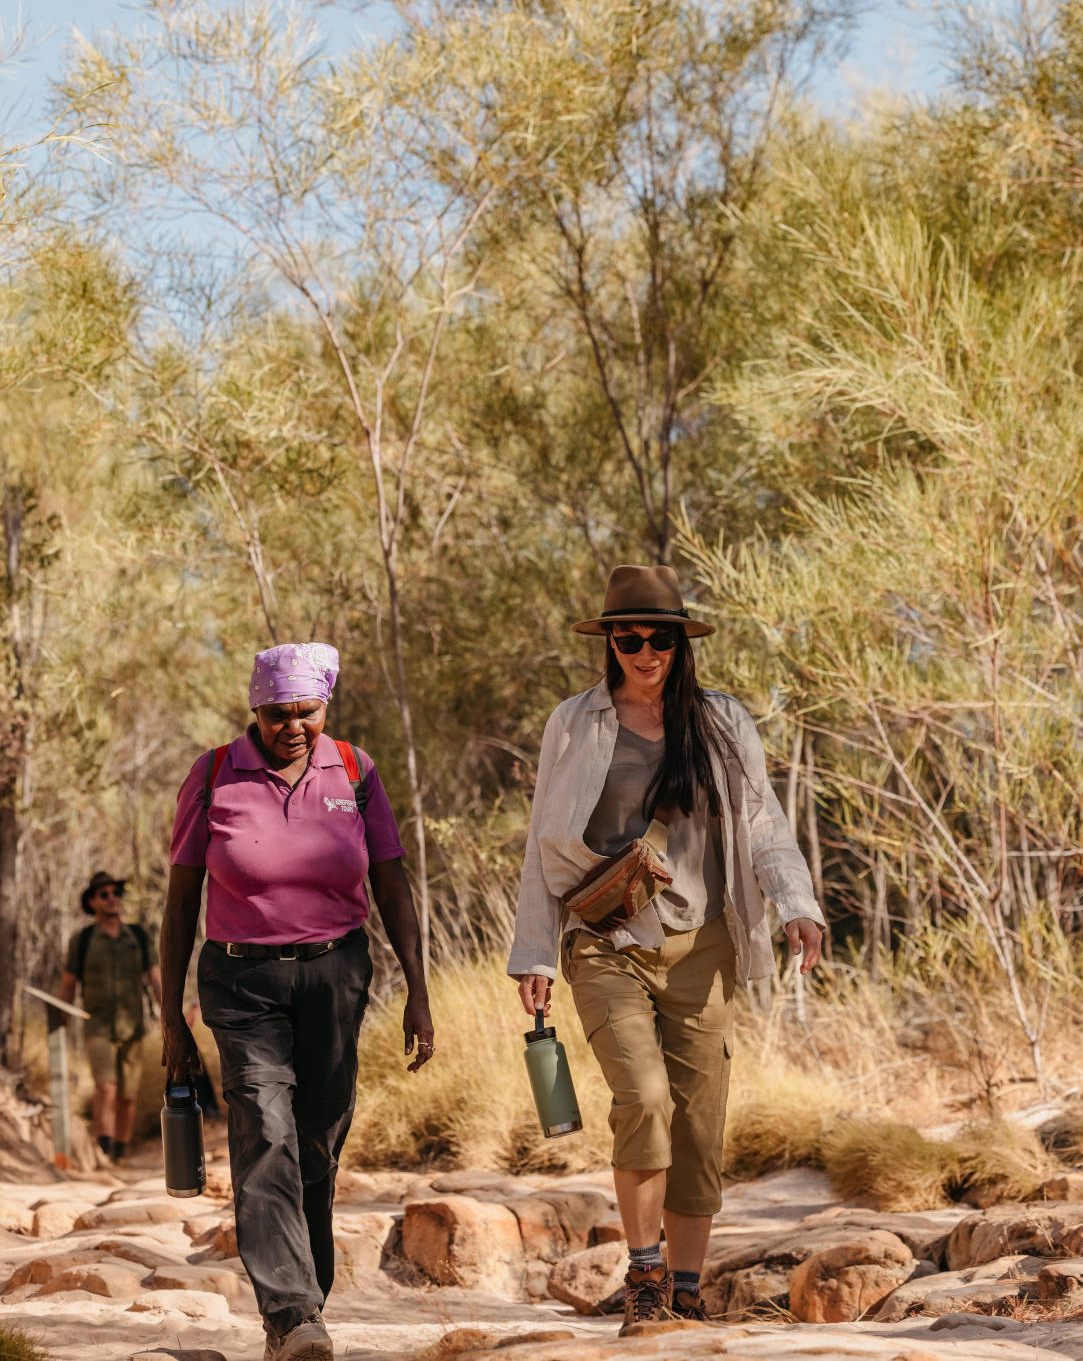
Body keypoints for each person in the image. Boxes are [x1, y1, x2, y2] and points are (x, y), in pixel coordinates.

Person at [507, 566, 826, 1331]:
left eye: (659, 638)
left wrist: (795, 904)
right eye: (628, 637)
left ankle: (685, 1287)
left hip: (704, 944)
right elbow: (541, 844)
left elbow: (760, 823)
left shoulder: (720, 722)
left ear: (681, 643)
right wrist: (535, 954)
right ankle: (645, 1275)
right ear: (608, 641)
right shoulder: (575, 723)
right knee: (642, 1098)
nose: (644, 651)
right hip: (605, 941)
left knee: (697, 1122)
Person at [161, 642, 434, 1361]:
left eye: (306, 712)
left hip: (335, 976)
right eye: (277, 713)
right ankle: (289, 1314)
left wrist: (418, 988)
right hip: (240, 981)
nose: (292, 727)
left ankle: (307, 1296)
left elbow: (392, 882)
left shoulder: (353, 769)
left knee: (317, 1138)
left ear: (324, 706)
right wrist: (171, 1020)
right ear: (255, 710)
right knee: (265, 1130)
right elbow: (181, 900)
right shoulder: (216, 773)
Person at [60, 869, 162, 1163]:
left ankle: (120, 1152)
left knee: (127, 1094)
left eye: (116, 892)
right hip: (98, 1025)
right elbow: (68, 983)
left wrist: (169, 1012)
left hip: (133, 1026)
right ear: (92, 902)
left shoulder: (139, 936)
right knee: (106, 1086)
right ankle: (102, 1150)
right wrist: (60, 1026)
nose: (112, 898)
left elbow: (155, 978)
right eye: (104, 894)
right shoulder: (83, 939)